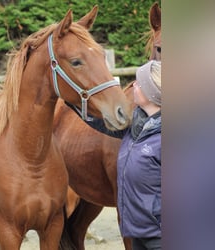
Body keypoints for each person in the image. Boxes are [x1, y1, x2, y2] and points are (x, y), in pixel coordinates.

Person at [67, 60, 162, 250]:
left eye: (139, 83)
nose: (133, 85)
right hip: (138, 231)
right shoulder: (134, 126)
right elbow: (100, 122)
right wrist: (74, 98)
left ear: (151, 93)